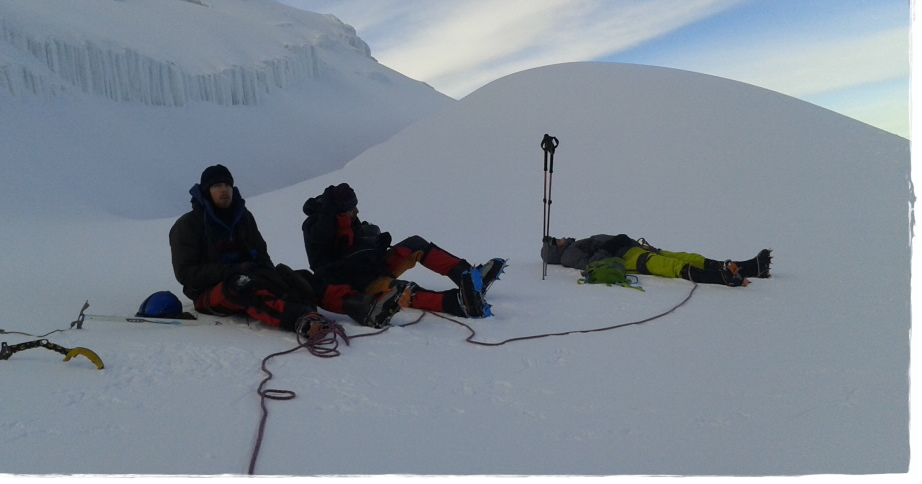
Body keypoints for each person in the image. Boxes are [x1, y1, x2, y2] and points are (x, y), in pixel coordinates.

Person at [169, 165, 400, 338]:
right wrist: (232, 270)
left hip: (250, 275)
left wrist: (275, 278)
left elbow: (261, 252)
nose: (224, 190)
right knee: (240, 286)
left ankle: (362, 306)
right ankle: (301, 320)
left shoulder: (243, 217)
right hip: (210, 293)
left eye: (227, 185)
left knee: (299, 278)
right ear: (206, 191)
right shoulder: (187, 226)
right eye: (217, 185)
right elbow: (186, 273)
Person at [302, 183, 506, 321]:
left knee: (416, 244)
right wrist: (332, 212)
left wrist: (374, 244)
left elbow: (356, 251)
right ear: (336, 211)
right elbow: (332, 244)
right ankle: (459, 304)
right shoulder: (314, 227)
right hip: (356, 284)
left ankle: (469, 278)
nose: (356, 212)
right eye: (351, 208)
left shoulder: (349, 221)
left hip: (371, 269)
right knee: (401, 290)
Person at [541, 234, 771, 287]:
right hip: (627, 257)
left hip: (634, 248)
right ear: (554, 252)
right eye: (554, 242)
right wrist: (611, 247)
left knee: (687, 257)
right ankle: (723, 278)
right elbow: (588, 264)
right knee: (672, 266)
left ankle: (751, 268)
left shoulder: (574, 243)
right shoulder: (569, 255)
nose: (558, 239)